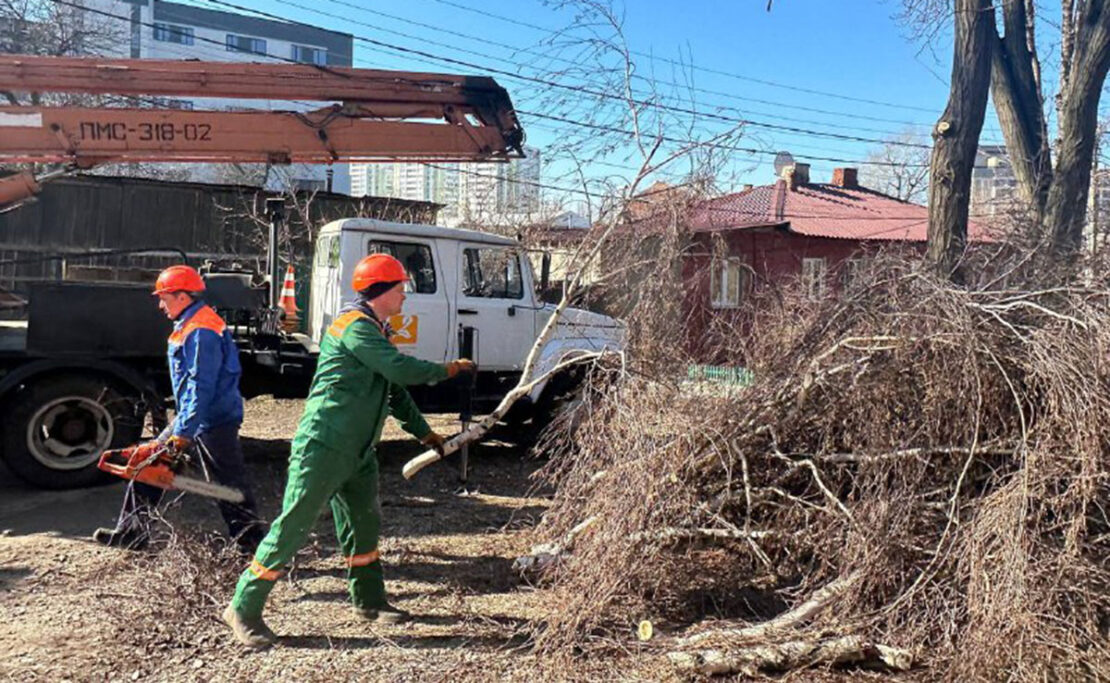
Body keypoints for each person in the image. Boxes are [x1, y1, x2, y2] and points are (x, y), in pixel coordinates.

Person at [222, 253, 475, 649]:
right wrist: (449, 369)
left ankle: (370, 602)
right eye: (400, 289)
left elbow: (394, 392)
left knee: (363, 523)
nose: (404, 296)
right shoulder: (354, 327)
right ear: (382, 291)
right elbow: (401, 371)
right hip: (324, 445)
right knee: (292, 527)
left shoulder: (375, 331)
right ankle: (244, 608)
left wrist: (425, 435)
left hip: (357, 451)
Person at [93, 265, 265, 553]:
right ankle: (132, 532)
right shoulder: (190, 322)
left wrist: (183, 432)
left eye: (164, 298)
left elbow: (202, 386)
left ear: (182, 297)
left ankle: (251, 543)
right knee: (148, 464)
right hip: (193, 415)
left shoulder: (202, 331)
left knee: (228, 483)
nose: (161, 305)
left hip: (213, 419)